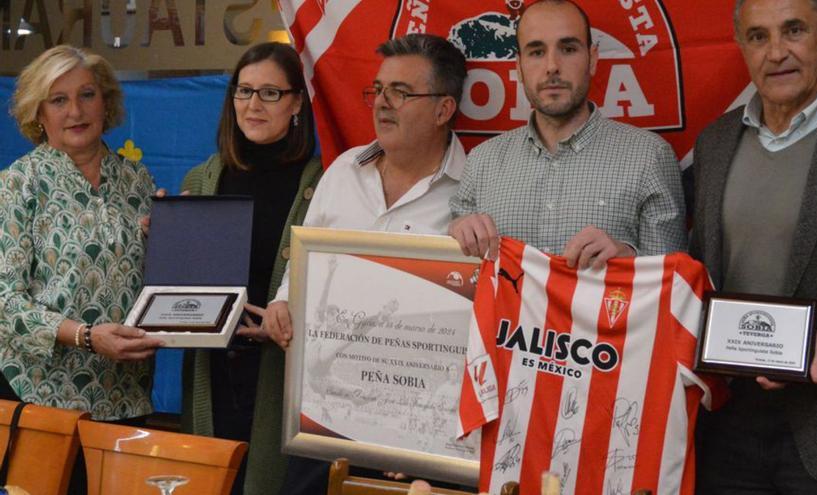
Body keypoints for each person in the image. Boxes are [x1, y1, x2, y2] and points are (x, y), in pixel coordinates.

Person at [260, 33, 468, 495]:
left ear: (443, 109)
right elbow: (304, 265)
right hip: (323, 418)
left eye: (402, 92)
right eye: (379, 90)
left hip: (418, 435)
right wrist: (281, 303)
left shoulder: (472, 191)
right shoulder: (342, 171)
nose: (383, 104)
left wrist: (417, 435)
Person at [690, 0, 817, 492]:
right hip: (728, 427)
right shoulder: (715, 143)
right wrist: (628, 256)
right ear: (742, 47)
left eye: (793, 30)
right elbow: (692, 269)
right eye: (758, 36)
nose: (777, 52)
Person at [0, 44, 164, 493]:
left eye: (87, 94)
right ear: (39, 114)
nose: (75, 110)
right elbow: (4, 302)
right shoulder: (18, 184)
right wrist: (87, 336)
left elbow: (158, 285)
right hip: (40, 397)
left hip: (124, 393)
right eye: (58, 99)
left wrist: (173, 242)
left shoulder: (138, 181)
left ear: (106, 102)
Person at [177, 42, 323, 495]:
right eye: (243, 91)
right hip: (213, 376)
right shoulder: (201, 180)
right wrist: (165, 240)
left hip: (280, 378)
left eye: (270, 94)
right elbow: (182, 292)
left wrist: (286, 325)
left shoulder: (323, 183)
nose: (253, 105)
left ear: (298, 101)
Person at [449, 0, 686, 265]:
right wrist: (455, 235)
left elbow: (673, 281)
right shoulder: (482, 162)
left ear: (593, 59)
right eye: (536, 52)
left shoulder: (649, 156)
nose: (552, 66)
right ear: (518, 66)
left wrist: (628, 258)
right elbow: (456, 273)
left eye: (568, 49)